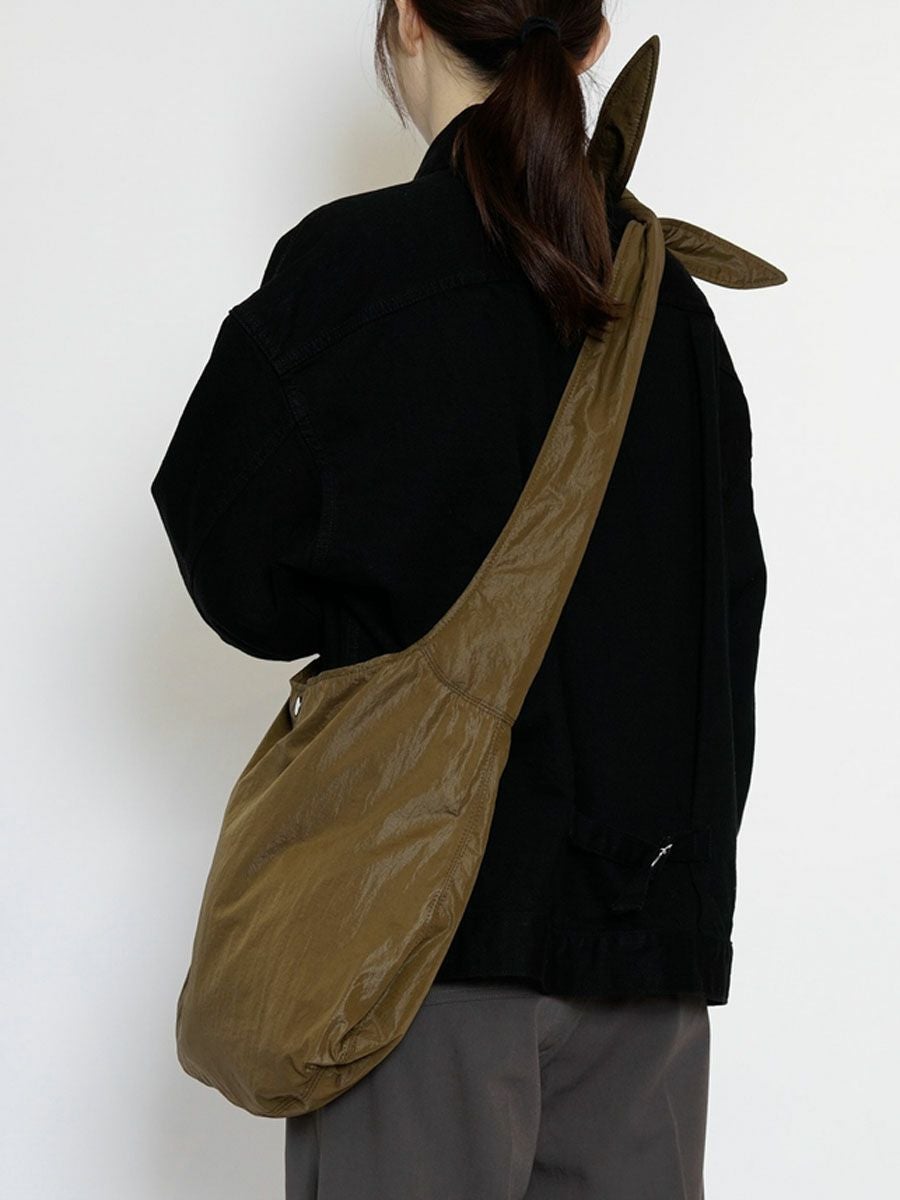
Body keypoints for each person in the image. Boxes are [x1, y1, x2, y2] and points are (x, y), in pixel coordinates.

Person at [151, 3, 771, 1197]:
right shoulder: (674, 311)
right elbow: (725, 629)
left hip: (417, 950)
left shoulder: (354, 271)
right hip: (648, 972)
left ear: (407, 19)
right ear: (591, 42)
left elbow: (234, 570)